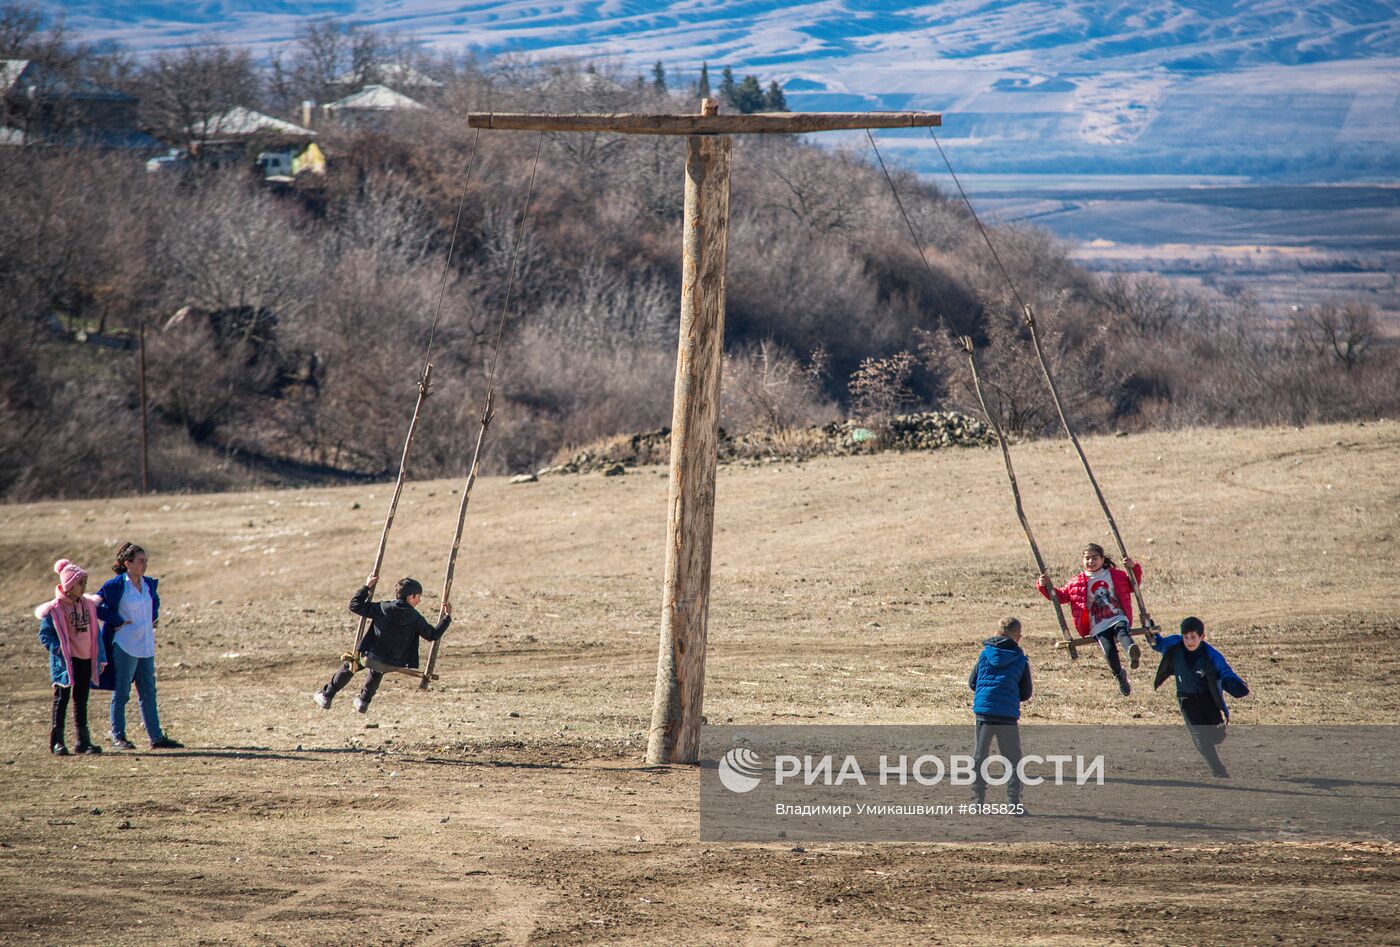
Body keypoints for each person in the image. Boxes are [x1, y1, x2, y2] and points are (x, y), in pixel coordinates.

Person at [314, 575, 451, 714]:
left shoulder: (382, 607)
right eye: (418, 597)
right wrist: (447, 617)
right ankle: (363, 701)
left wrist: (366, 587)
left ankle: (327, 696)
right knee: (378, 668)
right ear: (410, 597)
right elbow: (433, 635)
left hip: (371, 657)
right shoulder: (416, 618)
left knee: (352, 664)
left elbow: (355, 606)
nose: (419, 600)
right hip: (393, 663)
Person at [96, 543, 182, 750]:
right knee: (122, 691)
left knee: (148, 692)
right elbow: (95, 606)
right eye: (140, 561)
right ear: (128, 564)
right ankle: (118, 736)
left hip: (145, 645)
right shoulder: (116, 586)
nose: (144, 565)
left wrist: (153, 617)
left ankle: (156, 737)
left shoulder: (148, 585)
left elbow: (154, 604)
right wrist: (116, 620)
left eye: (145, 561)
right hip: (125, 645)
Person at [1038, 543, 1143, 696]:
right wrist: (1044, 586)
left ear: (1102, 559)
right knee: (1108, 650)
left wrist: (1133, 567)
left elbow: (1134, 584)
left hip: (1117, 615)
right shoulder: (1076, 582)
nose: (1090, 562)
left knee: (1122, 632)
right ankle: (1120, 675)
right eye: (1087, 558)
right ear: (1083, 560)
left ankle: (1131, 653)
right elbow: (1059, 597)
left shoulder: (1116, 575)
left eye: (1094, 558)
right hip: (1097, 624)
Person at [1151, 616, 1249, 777]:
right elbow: (1158, 644)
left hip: (1207, 698)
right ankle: (1219, 771)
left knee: (1217, 736)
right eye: (1186, 637)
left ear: (1202, 637)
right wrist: (1151, 632)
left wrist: (1234, 684)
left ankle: (1213, 740)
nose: (1189, 641)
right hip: (1186, 699)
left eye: (1193, 637)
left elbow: (1225, 671)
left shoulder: (1211, 654)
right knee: (1199, 735)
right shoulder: (1175, 644)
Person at [37, 560, 107, 755]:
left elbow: (95, 633)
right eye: (80, 583)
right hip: (66, 663)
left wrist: (99, 656)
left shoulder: (88, 605)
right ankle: (57, 741)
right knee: (62, 700)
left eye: (85, 582)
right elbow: (45, 635)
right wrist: (58, 649)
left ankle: (82, 741)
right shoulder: (55, 609)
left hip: (86, 659)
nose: (84, 586)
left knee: (81, 699)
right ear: (69, 586)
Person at [967, 616, 1033, 810]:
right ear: (1015, 635)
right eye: (1019, 635)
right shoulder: (1020, 659)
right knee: (1012, 758)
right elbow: (1026, 693)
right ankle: (1013, 802)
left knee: (980, 755)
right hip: (1007, 715)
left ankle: (977, 800)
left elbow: (972, 683)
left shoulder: (984, 654)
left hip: (985, 713)